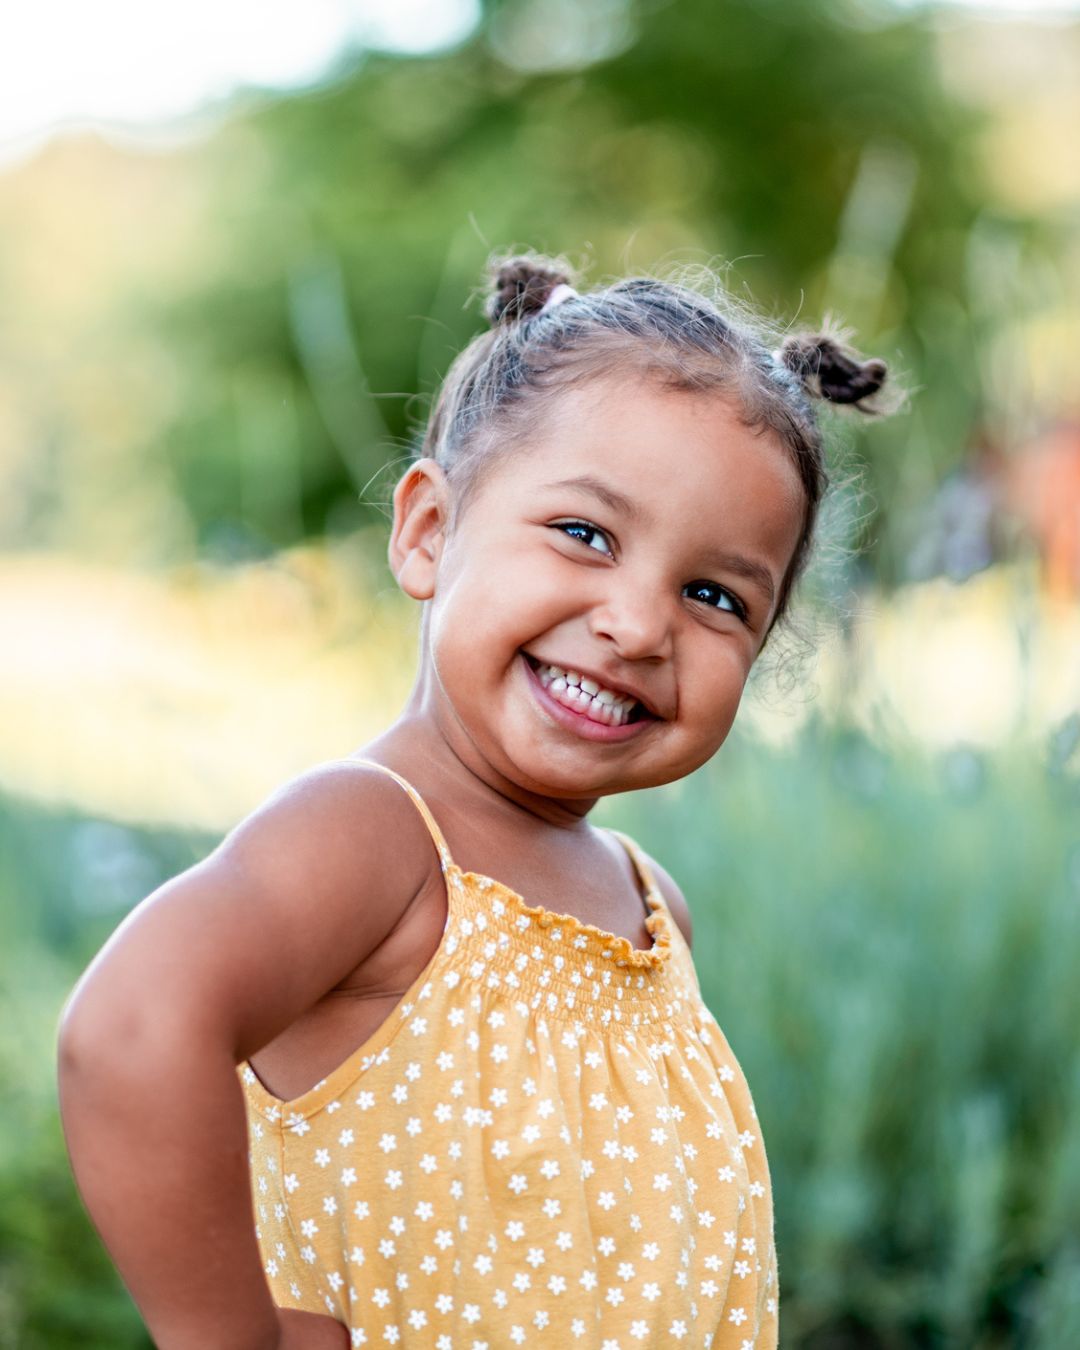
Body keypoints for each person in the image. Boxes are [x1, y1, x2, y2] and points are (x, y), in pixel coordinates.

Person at [57, 253, 889, 1350]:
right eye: (586, 535)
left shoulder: (652, 913)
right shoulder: (373, 836)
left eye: (713, 595)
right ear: (428, 532)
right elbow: (130, 1031)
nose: (639, 627)